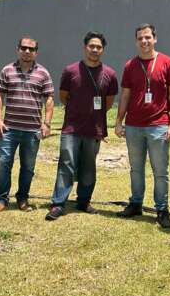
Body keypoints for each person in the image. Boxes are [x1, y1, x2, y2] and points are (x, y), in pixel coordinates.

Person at [46, 32, 118, 221]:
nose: (95, 50)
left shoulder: (109, 74)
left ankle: (84, 201)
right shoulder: (70, 70)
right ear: (85, 47)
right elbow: (63, 96)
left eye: (99, 47)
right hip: (71, 127)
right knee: (66, 164)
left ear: (103, 50)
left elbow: (108, 103)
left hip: (94, 129)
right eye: (91, 46)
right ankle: (58, 203)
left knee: (89, 166)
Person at [115, 24, 170, 228]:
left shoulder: (168, 62)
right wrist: (119, 121)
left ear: (155, 38)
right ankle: (135, 203)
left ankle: (162, 209)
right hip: (133, 126)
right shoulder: (130, 65)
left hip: (159, 125)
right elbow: (125, 95)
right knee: (136, 169)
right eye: (140, 38)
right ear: (136, 41)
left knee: (160, 170)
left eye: (147, 37)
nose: (144, 41)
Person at [0, 36, 54, 214]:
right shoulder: (7, 70)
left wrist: (47, 123)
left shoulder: (43, 73)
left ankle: (22, 198)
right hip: (8, 128)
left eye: (31, 49)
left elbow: (49, 98)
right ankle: (1, 200)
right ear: (18, 49)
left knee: (28, 167)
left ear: (36, 52)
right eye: (24, 48)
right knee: (3, 164)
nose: (27, 52)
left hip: (32, 131)